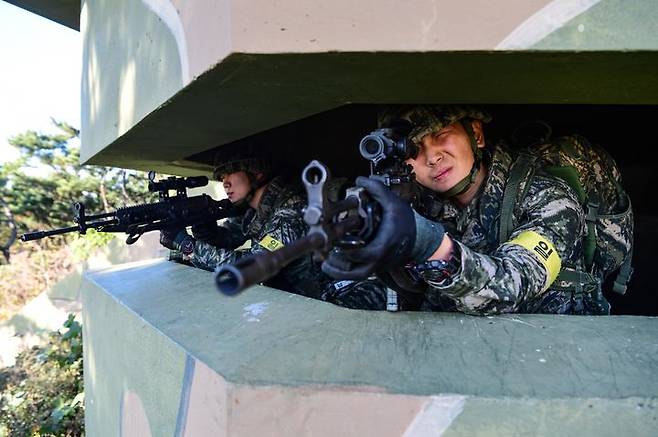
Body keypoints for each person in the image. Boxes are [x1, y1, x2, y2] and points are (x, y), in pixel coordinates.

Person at [322, 105, 629, 315]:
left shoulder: (546, 196)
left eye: (441, 135)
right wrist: (364, 263)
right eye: (414, 150)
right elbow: (395, 299)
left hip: (553, 358)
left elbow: (513, 283)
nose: (432, 157)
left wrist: (430, 245)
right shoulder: (420, 205)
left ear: (476, 135)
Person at [160, 144, 389, 309]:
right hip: (302, 302)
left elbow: (248, 266)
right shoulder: (256, 211)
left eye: (230, 173)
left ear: (256, 173)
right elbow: (227, 238)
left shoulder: (289, 211)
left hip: (328, 304)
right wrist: (201, 221)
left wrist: (187, 244)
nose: (225, 182)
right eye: (221, 177)